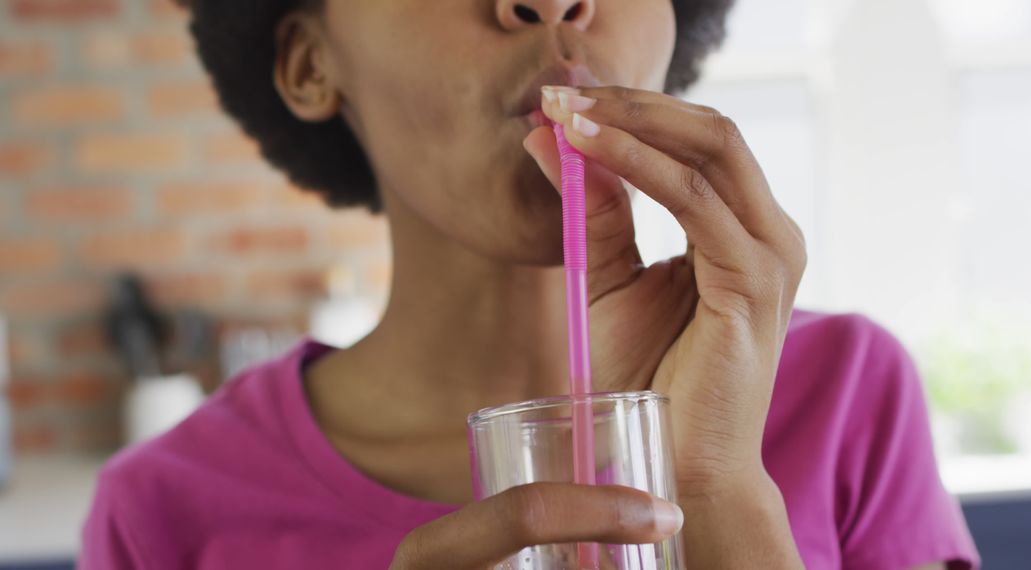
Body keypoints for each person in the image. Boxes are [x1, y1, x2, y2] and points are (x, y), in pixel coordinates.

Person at [80, 0, 980, 568]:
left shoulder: (851, 392)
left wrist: (714, 495)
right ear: (311, 62)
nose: (552, 2)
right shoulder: (165, 516)